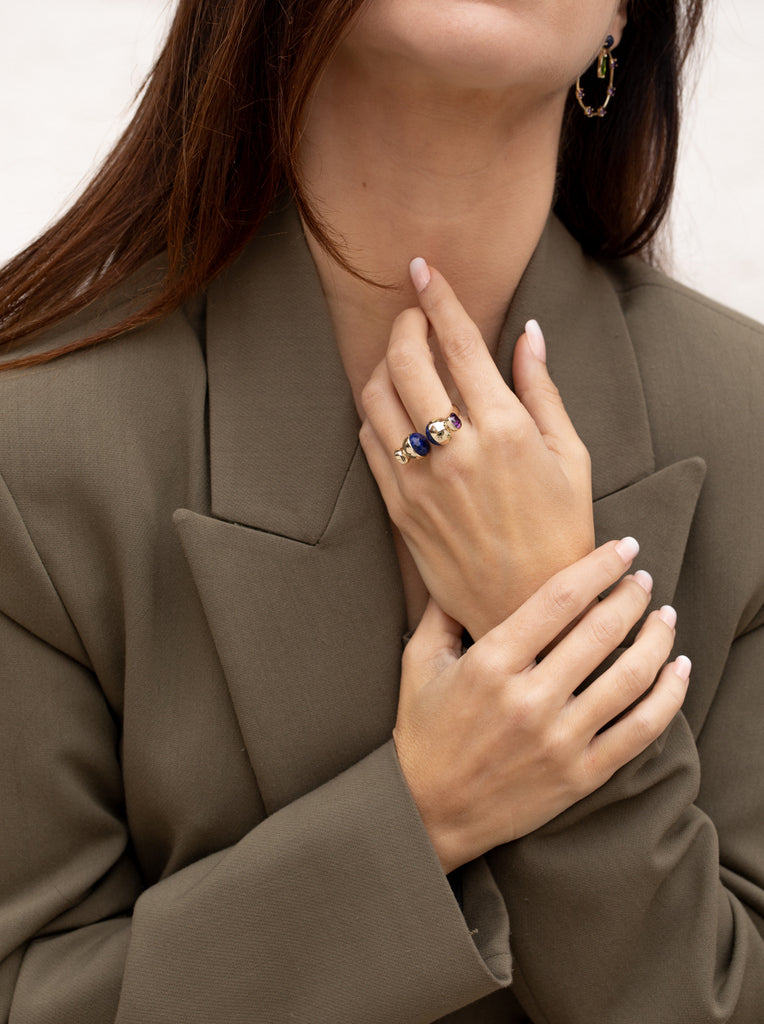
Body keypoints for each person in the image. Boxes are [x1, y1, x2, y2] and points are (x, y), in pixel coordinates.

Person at [0, 0, 762, 1021]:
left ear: (623, 20)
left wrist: (549, 616)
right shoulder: (37, 450)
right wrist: (420, 813)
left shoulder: (747, 429)